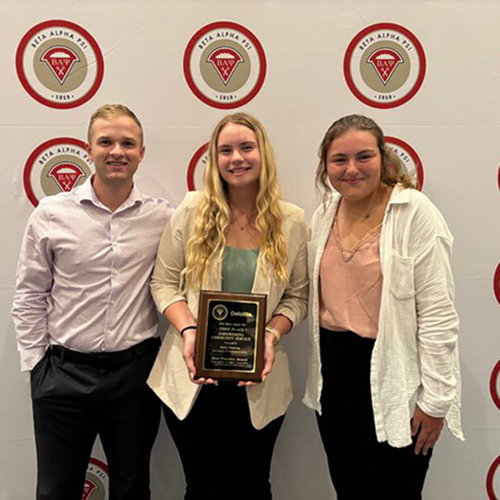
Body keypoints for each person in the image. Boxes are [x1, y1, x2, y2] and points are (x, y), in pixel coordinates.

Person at [12, 104, 173, 500]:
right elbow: (29, 294)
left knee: (132, 487)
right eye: (106, 141)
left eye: (127, 143)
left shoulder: (163, 219)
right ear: (89, 148)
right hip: (62, 376)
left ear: (141, 152)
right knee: (55, 491)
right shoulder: (51, 214)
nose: (117, 151)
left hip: (135, 377)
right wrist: (37, 367)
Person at [147, 112, 308, 500]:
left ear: (263, 154)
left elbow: (297, 296)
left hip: (260, 378)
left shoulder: (292, 221)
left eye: (246, 148)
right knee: (202, 487)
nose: (237, 158)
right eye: (226, 150)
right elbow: (164, 283)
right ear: (214, 159)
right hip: (191, 376)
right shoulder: (191, 210)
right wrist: (189, 331)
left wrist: (271, 334)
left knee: (253, 486)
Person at [303, 114, 463, 500]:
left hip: (396, 376)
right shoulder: (325, 213)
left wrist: (436, 400)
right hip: (334, 375)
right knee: (349, 490)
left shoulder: (414, 213)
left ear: (384, 159)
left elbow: (439, 314)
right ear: (326, 165)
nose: (352, 169)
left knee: (396, 492)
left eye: (363, 156)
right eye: (339, 159)